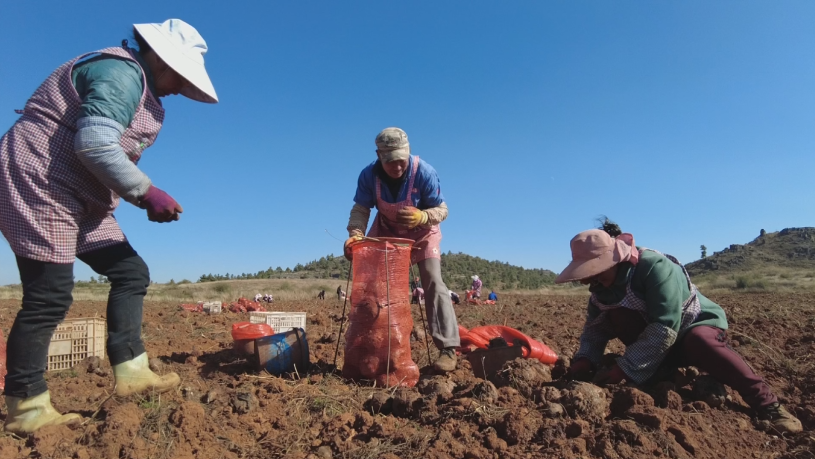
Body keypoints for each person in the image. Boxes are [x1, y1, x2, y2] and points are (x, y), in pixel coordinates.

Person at [0, 19, 218, 435]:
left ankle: (133, 371)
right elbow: (96, 144)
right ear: (159, 58)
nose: (179, 88)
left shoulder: (138, 83)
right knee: (48, 295)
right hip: (43, 180)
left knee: (130, 272)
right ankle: (26, 408)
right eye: (180, 75)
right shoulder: (120, 72)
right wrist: (146, 193)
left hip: (85, 198)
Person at [555, 221, 802, 435]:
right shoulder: (601, 290)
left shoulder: (651, 267)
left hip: (692, 326)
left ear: (614, 260)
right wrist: (585, 359)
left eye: (596, 273)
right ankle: (665, 371)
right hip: (660, 344)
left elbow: (664, 326)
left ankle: (769, 406)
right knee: (619, 317)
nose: (592, 281)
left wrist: (625, 368)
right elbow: (595, 330)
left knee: (700, 341)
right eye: (588, 276)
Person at [343, 127, 461, 372]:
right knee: (375, 289)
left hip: (423, 233)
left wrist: (422, 216)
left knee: (433, 282)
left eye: (401, 160)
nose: (397, 167)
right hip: (388, 232)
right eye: (390, 162)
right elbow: (361, 209)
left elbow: (443, 211)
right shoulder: (369, 175)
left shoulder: (424, 172)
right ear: (379, 156)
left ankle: (448, 349)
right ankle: (376, 350)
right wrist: (355, 234)